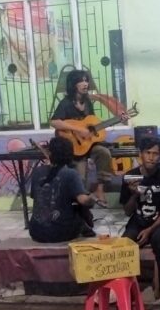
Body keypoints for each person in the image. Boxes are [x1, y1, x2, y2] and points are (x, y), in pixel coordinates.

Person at [50, 70, 127, 208]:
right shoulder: (66, 103)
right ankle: (81, 206)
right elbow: (54, 122)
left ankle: (100, 189)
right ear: (73, 84)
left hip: (88, 145)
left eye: (86, 80)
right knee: (80, 178)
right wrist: (78, 130)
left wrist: (117, 120)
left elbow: (91, 123)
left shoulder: (87, 103)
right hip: (74, 147)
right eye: (81, 81)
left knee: (104, 152)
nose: (85, 84)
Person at [120, 136, 160, 310]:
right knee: (124, 244)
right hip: (139, 219)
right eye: (148, 153)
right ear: (140, 154)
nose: (152, 157)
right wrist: (134, 194)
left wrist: (150, 230)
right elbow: (127, 211)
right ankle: (126, 291)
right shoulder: (130, 177)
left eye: (156, 154)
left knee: (159, 241)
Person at [29, 136, 96, 243]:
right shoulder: (71, 174)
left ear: (50, 153)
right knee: (79, 209)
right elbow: (83, 200)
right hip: (60, 234)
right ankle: (86, 228)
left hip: (36, 232)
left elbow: (34, 196)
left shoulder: (37, 171)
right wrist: (93, 198)